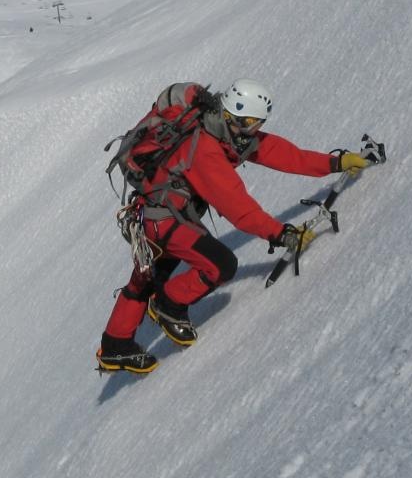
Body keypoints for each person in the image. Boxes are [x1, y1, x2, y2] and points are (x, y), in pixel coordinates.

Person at [96, 79, 382, 373]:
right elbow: (238, 209)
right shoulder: (205, 150)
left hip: (157, 215)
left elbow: (282, 154)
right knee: (220, 265)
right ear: (236, 117)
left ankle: (116, 346)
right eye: (252, 124)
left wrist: (337, 162)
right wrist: (280, 234)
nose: (255, 131)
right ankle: (168, 305)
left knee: (149, 273)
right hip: (165, 221)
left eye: (258, 124)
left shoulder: (226, 132)